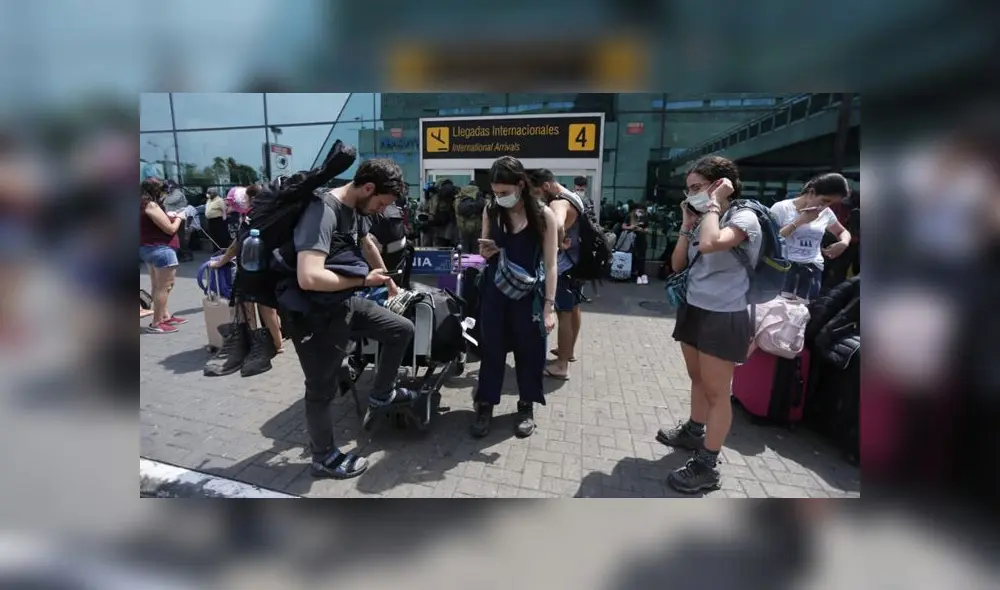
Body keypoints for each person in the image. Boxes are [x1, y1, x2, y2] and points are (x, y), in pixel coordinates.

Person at [287, 158, 416, 479]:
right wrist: (363, 281)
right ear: (368, 188)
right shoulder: (323, 210)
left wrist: (388, 281)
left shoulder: (357, 211)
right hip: (312, 313)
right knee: (321, 388)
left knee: (400, 328)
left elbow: (365, 242)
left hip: (343, 302)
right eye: (381, 203)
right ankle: (323, 458)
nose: (380, 210)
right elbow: (308, 277)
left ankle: (382, 392)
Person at [657, 156, 762, 494]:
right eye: (689, 189)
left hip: (724, 314)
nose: (692, 195)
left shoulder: (745, 217)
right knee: (697, 378)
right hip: (694, 308)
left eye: (697, 188)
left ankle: (708, 466)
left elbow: (711, 243)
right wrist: (687, 222)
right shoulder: (703, 217)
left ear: (721, 184)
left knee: (718, 393)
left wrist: (713, 205)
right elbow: (676, 264)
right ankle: (693, 430)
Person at [471, 156, 558, 438]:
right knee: (491, 349)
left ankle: (526, 405)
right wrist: (486, 251)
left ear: (521, 184)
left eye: (505, 193)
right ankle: (485, 405)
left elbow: (551, 263)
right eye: (495, 193)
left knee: (529, 351)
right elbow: (484, 252)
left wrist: (549, 307)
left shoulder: (543, 216)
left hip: (529, 295)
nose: (499, 198)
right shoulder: (491, 210)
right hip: (495, 291)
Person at [204, 184, 286, 378]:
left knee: (259, 306)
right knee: (270, 307)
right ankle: (276, 340)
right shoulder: (276, 213)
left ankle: (272, 343)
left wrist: (221, 262)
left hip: (255, 270)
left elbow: (236, 245)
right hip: (275, 267)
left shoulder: (253, 217)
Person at [529, 169, 585, 378]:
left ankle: (561, 365)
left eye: (536, 193)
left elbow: (559, 224)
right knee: (574, 308)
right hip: (579, 263)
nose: (537, 197)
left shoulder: (558, 203)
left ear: (544, 186)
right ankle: (568, 352)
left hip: (564, 266)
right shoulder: (575, 196)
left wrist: (558, 243)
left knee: (564, 314)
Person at [769, 173, 852, 301]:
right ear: (812, 192)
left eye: (831, 203)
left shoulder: (826, 213)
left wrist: (844, 243)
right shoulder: (782, 208)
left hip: (812, 268)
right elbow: (772, 239)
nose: (825, 206)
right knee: (780, 312)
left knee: (807, 312)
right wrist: (799, 221)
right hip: (785, 267)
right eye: (825, 200)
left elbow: (842, 231)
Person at [139, 177, 188, 334]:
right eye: (163, 190)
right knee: (165, 287)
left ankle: (165, 316)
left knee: (156, 285)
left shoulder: (140, 204)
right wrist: (180, 217)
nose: (165, 193)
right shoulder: (151, 205)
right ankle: (157, 322)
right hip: (161, 249)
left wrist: (170, 215)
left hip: (149, 248)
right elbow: (170, 229)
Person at [622, 204, 650, 284]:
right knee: (633, 257)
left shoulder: (645, 217)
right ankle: (634, 274)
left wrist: (642, 230)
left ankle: (641, 274)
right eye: (638, 211)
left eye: (641, 211)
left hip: (641, 239)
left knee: (641, 257)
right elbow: (623, 226)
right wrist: (630, 227)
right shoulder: (629, 216)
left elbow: (647, 229)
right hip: (631, 239)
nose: (640, 213)